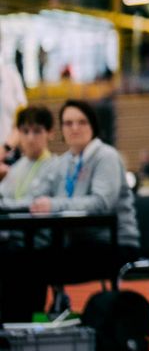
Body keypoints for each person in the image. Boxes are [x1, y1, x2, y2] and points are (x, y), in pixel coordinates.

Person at [15, 99, 140, 310]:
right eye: (68, 123)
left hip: (113, 243)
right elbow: (37, 198)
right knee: (20, 259)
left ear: (92, 126)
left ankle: (29, 325)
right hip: (77, 244)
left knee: (32, 266)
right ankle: (19, 327)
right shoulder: (64, 162)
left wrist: (53, 206)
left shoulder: (106, 157)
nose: (74, 128)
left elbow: (101, 203)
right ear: (61, 129)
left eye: (81, 122)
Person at [0, 105, 64, 324]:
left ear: (50, 133)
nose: (30, 138)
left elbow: (35, 204)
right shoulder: (15, 168)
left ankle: (16, 328)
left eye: (37, 131)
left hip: (38, 245)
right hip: (10, 240)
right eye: (25, 132)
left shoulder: (56, 166)